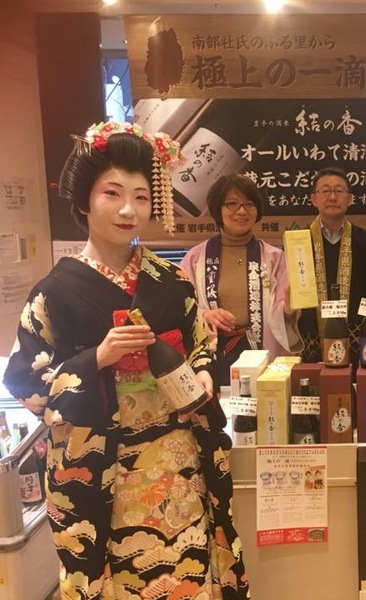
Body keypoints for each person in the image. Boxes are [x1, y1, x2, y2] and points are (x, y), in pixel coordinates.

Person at [2, 122, 249, 598]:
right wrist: (96, 358)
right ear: (84, 201)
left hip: (176, 460)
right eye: (112, 194)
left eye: (140, 197)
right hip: (102, 469)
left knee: (185, 568)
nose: (127, 210)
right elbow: (24, 383)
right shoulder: (55, 291)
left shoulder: (170, 280)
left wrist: (202, 370)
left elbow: (201, 343)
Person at [181, 173, 301, 384]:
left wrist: (289, 310)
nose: (242, 211)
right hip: (214, 352)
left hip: (261, 349)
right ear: (218, 209)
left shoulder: (274, 257)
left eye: (249, 204)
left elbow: (282, 309)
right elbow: (180, 306)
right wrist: (205, 315)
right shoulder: (196, 258)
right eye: (232, 204)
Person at [298, 166, 366, 362]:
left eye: (339, 191)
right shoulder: (299, 243)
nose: (332, 197)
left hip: (359, 346)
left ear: (350, 199)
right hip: (310, 345)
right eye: (325, 191)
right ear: (313, 199)